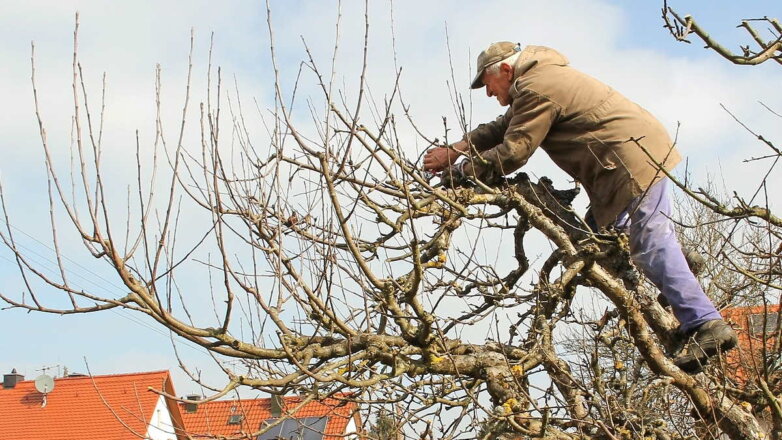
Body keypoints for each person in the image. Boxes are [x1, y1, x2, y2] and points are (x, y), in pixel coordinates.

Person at [423, 42, 736, 374]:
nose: (487, 93)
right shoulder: (536, 82)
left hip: (628, 160)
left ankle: (707, 323)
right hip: (622, 160)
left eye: (486, 84)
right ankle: (681, 262)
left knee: (649, 244)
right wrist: (456, 149)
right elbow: (500, 129)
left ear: (504, 70)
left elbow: (514, 152)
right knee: (599, 239)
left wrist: (461, 172)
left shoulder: (536, 87)